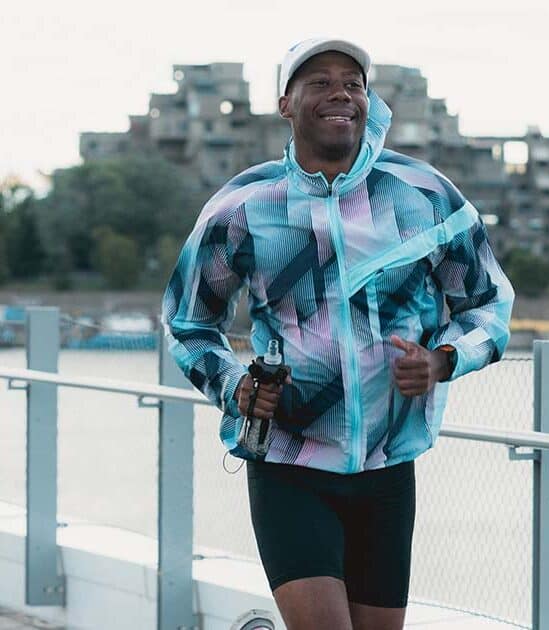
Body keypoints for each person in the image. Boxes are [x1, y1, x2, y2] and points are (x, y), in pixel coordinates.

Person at [161, 37, 514, 630]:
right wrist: (234, 387)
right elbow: (189, 321)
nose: (339, 93)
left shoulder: (423, 195)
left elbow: (489, 303)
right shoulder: (245, 205)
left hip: (386, 466)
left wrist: (444, 359)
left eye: (352, 82)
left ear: (368, 100)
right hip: (288, 461)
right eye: (319, 82)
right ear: (285, 103)